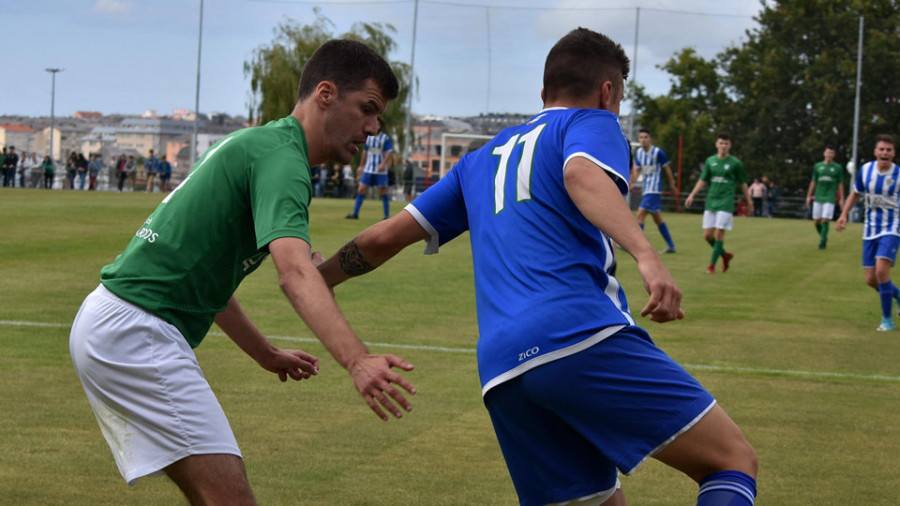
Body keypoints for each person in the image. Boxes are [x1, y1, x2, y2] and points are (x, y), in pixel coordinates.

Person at [317, 28, 757, 506]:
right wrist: (647, 255)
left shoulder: (478, 160)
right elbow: (580, 172)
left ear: (543, 92)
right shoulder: (590, 122)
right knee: (730, 461)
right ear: (608, 92)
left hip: (503, 373)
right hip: (578, 335)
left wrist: (316, 280)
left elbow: (384, 238)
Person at [69, 39, 415, 505]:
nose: (374, 128)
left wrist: (265, 353)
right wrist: (357, 360)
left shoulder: (265, 144)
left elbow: (212, 284)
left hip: (118, 325)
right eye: (368, 109)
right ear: (326, 94)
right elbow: (294, 273)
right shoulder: (282, 159)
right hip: (136, 331)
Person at [836, 135, 900, 331]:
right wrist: (844, 215)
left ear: (893, 153)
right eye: (881, 149)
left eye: (888, 150)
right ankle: (897, 295)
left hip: (892, 226)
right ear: (875, 152)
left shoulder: (898, 175)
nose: (885, 153)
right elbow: (855, 194)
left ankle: (887, 320)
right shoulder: (866, 170)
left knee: (882, 271)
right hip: (870, 228)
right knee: (871, 280)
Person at [685, 133, 753, 274]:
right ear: (716, 144)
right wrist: (692, 195)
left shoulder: (736, 163)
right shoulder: (710, 161)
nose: (723, 146)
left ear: (730, 145)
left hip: (726, 202)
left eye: (726, 143)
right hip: (711, 201)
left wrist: (749, 200)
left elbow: (743, 183)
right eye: (721, 143)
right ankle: (725, 255)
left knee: (719, 233)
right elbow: (702, 180)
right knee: (707, 235)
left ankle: (711, 266)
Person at [631, 128, 678, 253]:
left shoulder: (658, 152)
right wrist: (631, 183)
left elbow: (667, 169)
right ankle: (671, 245)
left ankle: (635, 245)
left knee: (640, 213)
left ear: (650, 139)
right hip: (646, 187)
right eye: (641, 137)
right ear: (639, 140)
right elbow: (637, 170)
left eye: (646, 137)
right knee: (657, 218)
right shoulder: (639, 153)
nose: (643, 140)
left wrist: (672, 185)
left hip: (655, 188)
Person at [346, 116, 393, 220]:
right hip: (368, 168)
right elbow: (365, 152)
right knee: (361, 189)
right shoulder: (369, 138)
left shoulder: (385, 138)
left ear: (381, 126)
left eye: (379, 124)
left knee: (383, 191)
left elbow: (389, 152)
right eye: (375, 123)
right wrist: (361, 166)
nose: (377, 125)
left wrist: (383, 164)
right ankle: (355, 213)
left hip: (380, 170)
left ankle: (386, 215)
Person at [806, 147, 844, 249]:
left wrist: (841, 199)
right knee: (816, 221)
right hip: (818, 196)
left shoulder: (838, 168)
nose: (829, 155)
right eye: (828, 153)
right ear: (824, 154)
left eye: (831, 153)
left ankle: (822, 242)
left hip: (830, 197)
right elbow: (813, 181)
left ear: (834, 155)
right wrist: (809, 196)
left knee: (825, 219)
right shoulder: (818, 166)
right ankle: (823, 236)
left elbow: (840, 184)